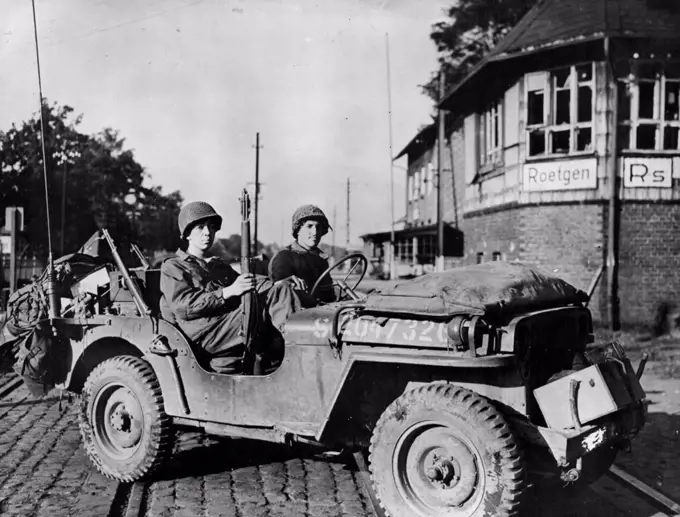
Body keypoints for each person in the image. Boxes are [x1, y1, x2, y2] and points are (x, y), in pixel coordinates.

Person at [160, 201, 304, 374]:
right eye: (200, 227)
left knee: (282, 291)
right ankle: (301, 354)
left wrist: (275, 284)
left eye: (211, 227)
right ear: (188, 233)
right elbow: (183, 306)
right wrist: (227, 292)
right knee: (267, 301)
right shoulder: (173, 266)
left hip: (228, 325)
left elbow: (246, 284)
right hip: (205, 335)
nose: (208, 232)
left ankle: (298, 348)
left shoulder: (216, 265)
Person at [269, 204, 335, 305]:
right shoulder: (284, 257)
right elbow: (281, 294)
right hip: (297, 316)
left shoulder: (321, 259)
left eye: (318, 227)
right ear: (298, 230)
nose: (314, 232)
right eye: (309, 226)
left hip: (322, 313)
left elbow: (329, 295)